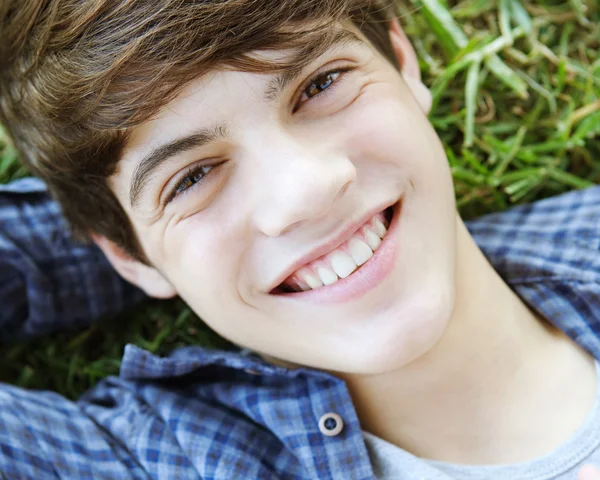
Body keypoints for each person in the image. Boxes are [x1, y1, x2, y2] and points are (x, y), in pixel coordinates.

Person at [0, 0, 599, 478]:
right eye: (192, 178)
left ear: (400, 58)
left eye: (319, 85)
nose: (305, 191)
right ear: (127, 257)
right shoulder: (157, 462)